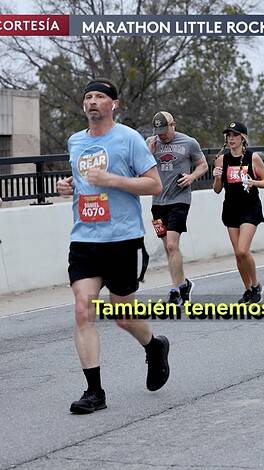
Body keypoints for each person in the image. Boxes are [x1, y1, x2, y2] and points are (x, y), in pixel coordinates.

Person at [56, 78, 170, 414]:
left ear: (114, 104)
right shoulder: (76, 141)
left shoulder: (129, 138)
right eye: (88, 97)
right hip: (84, 239)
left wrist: (112, 181)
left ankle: (153, 346)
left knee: (122, 315)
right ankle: (94, 392)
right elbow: (83, 182)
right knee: (83, 309)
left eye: (99, 97)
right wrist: (68, 186)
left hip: (122, 239)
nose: (92, 101)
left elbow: (154, 185)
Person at [146, 111, 208, 306]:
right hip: (157, 202)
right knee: (168, 248)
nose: (162, 135)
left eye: (165, 130)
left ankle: (175, 291)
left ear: (174, 125)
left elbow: (203, 165)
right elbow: (139, 169)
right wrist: (148, 152)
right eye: (159, 131)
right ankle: (183, 285)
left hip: (179, 200)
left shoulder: (189, 143)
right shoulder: (150, 143)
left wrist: (192, 177)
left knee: (172, 245)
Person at [212, 121, 264, 303]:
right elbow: (217, 190)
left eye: (235, 135)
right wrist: (217, 178)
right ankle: (248, 290)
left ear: (243, 138)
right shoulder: (222, 159)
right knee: (237, 254)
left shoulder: (253, 158)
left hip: (250, 208)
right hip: (231, 209)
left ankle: (256, 285)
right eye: (229, 135)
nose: (231, 139)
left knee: (243, 250)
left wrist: (254, 182)